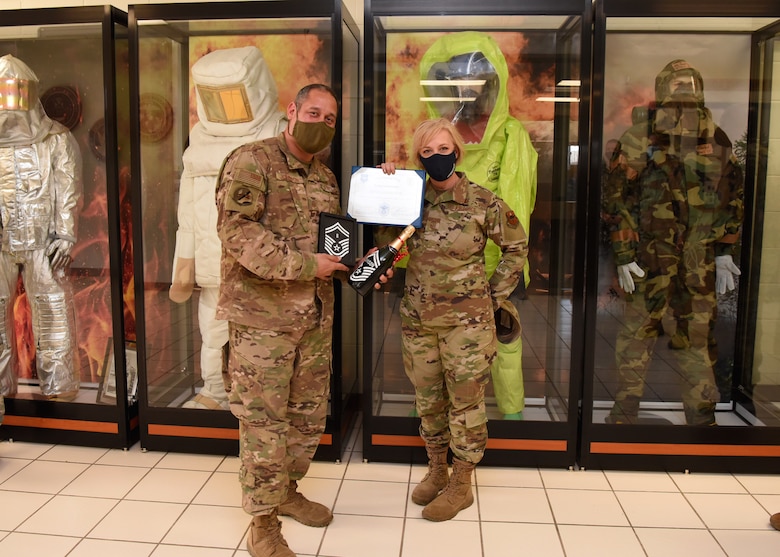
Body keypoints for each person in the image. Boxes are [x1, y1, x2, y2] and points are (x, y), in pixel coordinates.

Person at [215, 83, 348, 557]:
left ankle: (286, 491)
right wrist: (310, 264)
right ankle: (263, 524)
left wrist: (362, 265)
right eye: (314, 113)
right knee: (264, 423)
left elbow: (333, 246)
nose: (322, 124)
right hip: (262, 323)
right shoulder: (252, 161)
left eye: (330, 119)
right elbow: (238, 233)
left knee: (307, 417)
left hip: (314, 319)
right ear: (292, 111)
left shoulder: (325, 178)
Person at [379, 118, 528, 521]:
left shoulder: (482, 201)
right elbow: (385, 243)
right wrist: (385, 184)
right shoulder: (411, 199)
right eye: (427, 152)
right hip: (419, 321)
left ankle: (461, 483)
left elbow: (516, 247)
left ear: (457, 152)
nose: (436, 157)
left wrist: (492, 296)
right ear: (419, 158)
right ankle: (437, 469)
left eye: (443, 149)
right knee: (428, 401)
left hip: (467, 327)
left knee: (465, 404)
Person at [602, 59, 744, 426]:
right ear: (663, 88)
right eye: (677, 84)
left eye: (690, 84)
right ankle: (624, 415)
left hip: (698, 260)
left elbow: (733, 196)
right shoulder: (639, 137)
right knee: (637, 336)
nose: (685, 91)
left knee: (697, 339)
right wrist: (623, 253)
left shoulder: (715, 139)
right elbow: (616, 198)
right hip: (650, 257)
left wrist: (725, 251)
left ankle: (702, 420)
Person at [420, 31, 538, 420]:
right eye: (454, 80)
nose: (464, 88)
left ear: (490, 82)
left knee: (504, 335)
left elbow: (516, 203)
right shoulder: (437, 135)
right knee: (439, 340)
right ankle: (438, 412)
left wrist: (508, 268)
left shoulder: (509, 133)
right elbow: (416, 197)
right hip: (443, 263)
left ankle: (512, 413)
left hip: (495, 259)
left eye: (472, 79)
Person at [170, 46, 286, 410]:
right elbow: (188, 206)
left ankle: (258, 400)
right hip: (212, 256)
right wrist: (184, 262)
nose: (224, 106)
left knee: (263, 335)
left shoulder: (278, 131)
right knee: (212, 330)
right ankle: (214, 392)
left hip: (261, 261)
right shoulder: (198, 136)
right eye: (215, 97)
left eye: (232, 96)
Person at [0, 54, 82, 401]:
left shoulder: (55, 138)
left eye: (16, 92)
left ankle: (59, 386)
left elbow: (67, 187)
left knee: (52, 313)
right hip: (2, 241)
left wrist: (65, 233)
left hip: (44, 242)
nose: (10, 102)